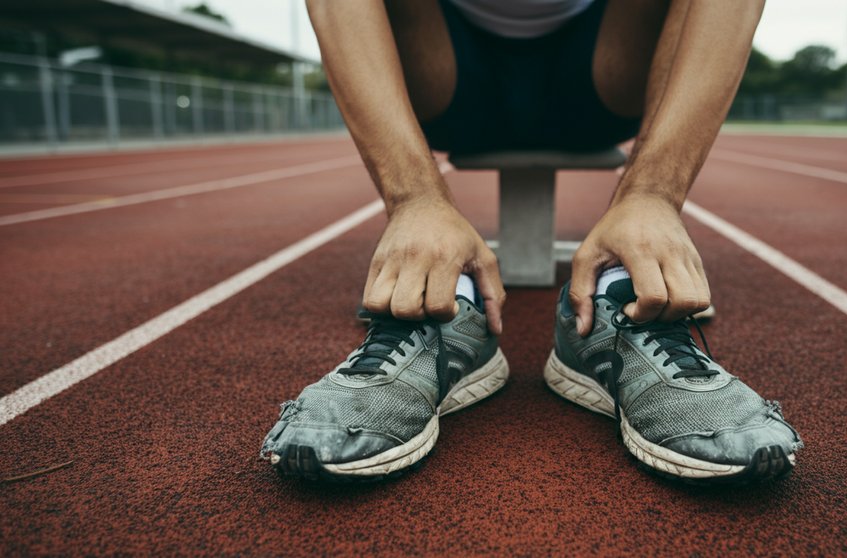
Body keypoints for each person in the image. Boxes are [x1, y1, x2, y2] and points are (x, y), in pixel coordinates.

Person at [260, 0, 802, 484]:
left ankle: (619, 294)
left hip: (607, 72)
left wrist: (655, 195)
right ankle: (444, 300)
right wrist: (413, 199)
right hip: (444, 76)